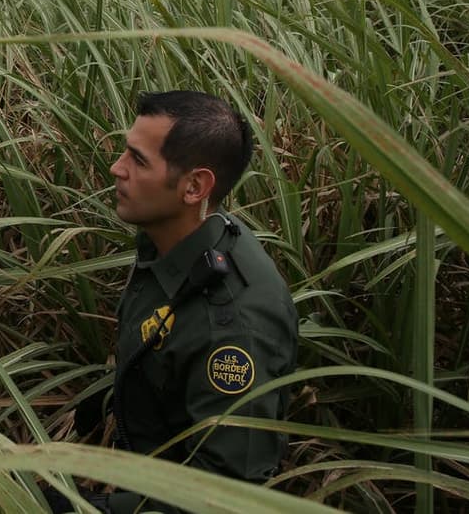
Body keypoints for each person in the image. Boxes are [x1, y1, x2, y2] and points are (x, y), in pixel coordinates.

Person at [53, 90, 298, 513]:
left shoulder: (233, 326)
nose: (116, 168)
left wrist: (94, 508)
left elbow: (228, 494)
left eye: (138, 160)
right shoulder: (175, 238)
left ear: (195, 186)